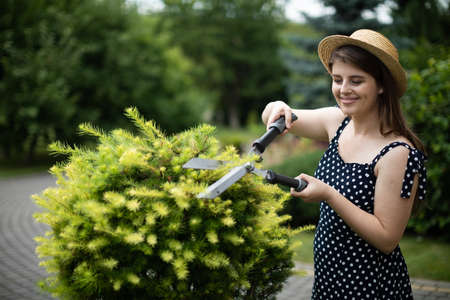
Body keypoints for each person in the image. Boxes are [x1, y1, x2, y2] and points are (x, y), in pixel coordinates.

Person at [262, 29, 427, 299]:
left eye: (356, 80)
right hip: (328, 280)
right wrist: (276, 105)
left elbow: (387, 238)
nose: (343, 89)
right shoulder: (336, 122)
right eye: (337, 79)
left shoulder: (398, 152)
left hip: (369, 286)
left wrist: (328, 194)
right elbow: (280, 118)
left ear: (381, 85)